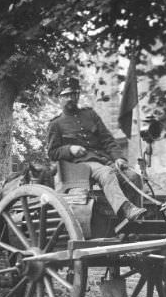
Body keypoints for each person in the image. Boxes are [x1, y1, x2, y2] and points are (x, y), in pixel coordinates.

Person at [46, 76, 147, 223]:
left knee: (133, 177)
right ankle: (127, 210)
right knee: (107, 174)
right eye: (65, 95)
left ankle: (134, 219)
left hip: (103, 159)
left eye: (73, 94)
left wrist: (119, 158)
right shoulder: (56, 124)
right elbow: (52, 152)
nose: (70, 99)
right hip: (79, 165)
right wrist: (70, 149)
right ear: (59, 98)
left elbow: (107, 139)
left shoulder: (90, 115)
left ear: (78, 95)